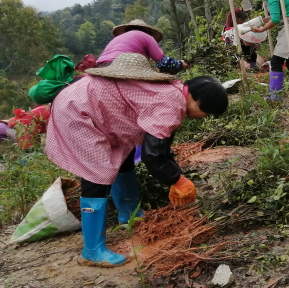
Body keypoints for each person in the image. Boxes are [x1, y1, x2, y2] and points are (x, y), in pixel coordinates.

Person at [45, 53, 228, 266]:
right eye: (207, 113)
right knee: (97, 175)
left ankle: (129, 213)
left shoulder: (174, 91)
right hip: (78, 109)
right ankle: (92, 250)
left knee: (124, 156)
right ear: (198, 102)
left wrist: (174, 173)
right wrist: (178, 180)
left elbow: (162, 144)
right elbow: (153, 155)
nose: (203, 118)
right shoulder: (171, 103)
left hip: (88, 104)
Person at [97, 19, 188, 75]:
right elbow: (163, 62)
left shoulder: (117, 38)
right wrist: (180, 64)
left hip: (98, 67)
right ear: (147, 31)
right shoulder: (146, 37)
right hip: (121, 67)